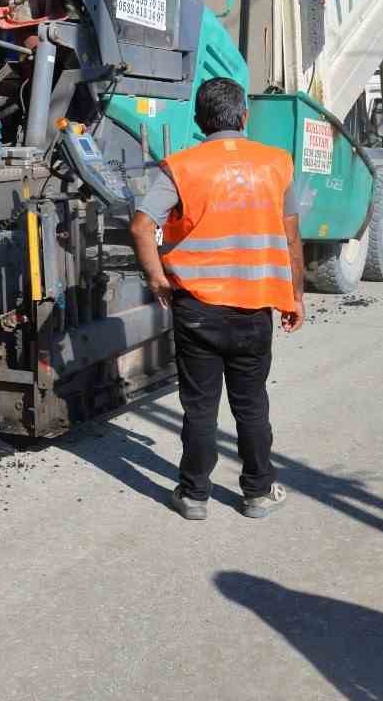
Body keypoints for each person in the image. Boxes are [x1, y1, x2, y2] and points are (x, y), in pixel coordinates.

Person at [129, 78, 305, 521]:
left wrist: (157, 279)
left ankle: (193, 496)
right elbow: (290, 236)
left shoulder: (182, 166)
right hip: (254, 308)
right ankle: (258, 493)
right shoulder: (276, 164)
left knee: (200, 406)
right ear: (244, 116)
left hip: (197, 310)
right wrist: (295, 296)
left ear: (198, 121)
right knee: (251, 404)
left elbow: (139, 226)